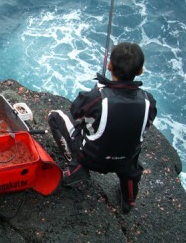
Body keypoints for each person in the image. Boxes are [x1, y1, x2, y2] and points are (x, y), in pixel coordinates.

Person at [47, 42, 157, 213]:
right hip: (125, 162)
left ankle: (76, 167)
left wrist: (97, 91)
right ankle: (128, 201)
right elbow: (147, 124)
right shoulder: (148, 101)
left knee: (55, 116)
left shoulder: (97, 97)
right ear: (140, 70)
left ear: (110, 65)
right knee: (132, 165)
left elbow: (75, 112)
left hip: (91, 158)